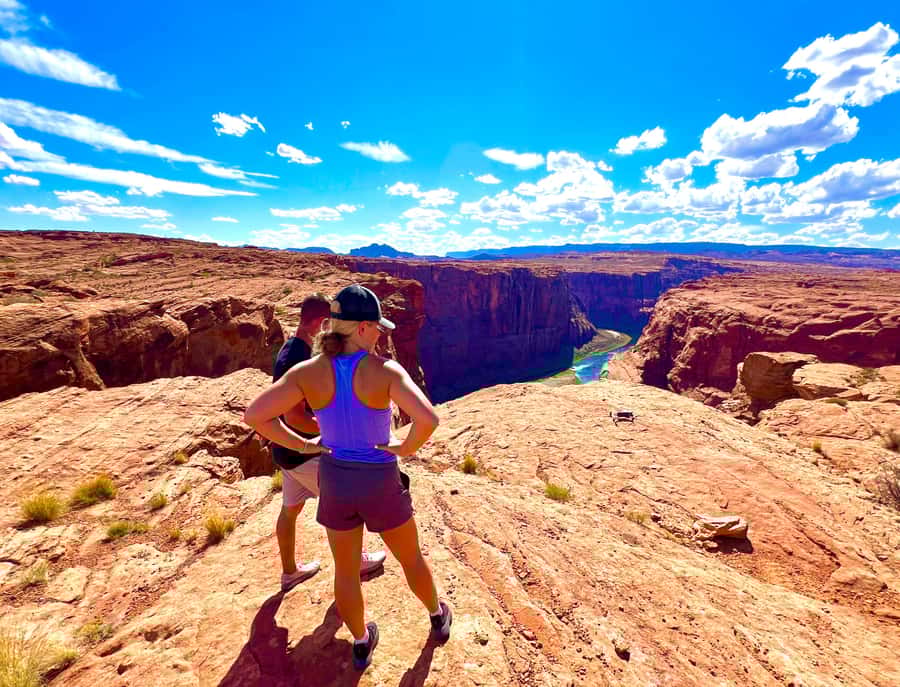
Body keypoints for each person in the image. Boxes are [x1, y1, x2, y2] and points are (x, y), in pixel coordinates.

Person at [244, 284, 452, 671]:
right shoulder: (384, 371)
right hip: (379, 480)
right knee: (410, 558)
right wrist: (404, 448)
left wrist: (305, 445)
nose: (381, 334)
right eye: (377, 328)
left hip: (335, 480)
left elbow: (256, 415)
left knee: (345, 570)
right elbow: (429, 419)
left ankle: (360, 642)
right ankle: (437, 616)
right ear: (360, 328)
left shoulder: (308, 371)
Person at [270, 292, 386, 593]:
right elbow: (293, 416)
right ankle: (356, 563)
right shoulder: (297, 358)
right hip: (306, 454)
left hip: (287, 452)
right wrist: (329, 431)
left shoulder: (291, 348)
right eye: (332, 323)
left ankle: (289, 572)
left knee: (290, 510)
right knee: (347, 509)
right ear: (321, 322)